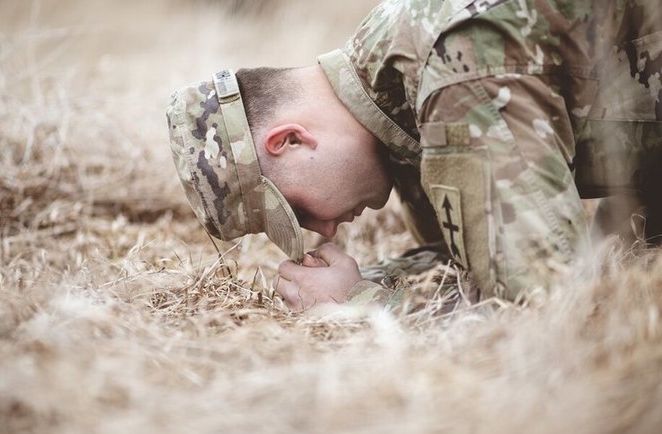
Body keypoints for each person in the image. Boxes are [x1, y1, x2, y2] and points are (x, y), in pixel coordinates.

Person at [166, 0, 662, 311]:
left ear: (291, 140)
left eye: (296, 211)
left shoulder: (451, 69)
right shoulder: (392, 98)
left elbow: (549, 303)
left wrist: (361, 304)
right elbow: (470, 266)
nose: (326, 230)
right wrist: (369, 283)